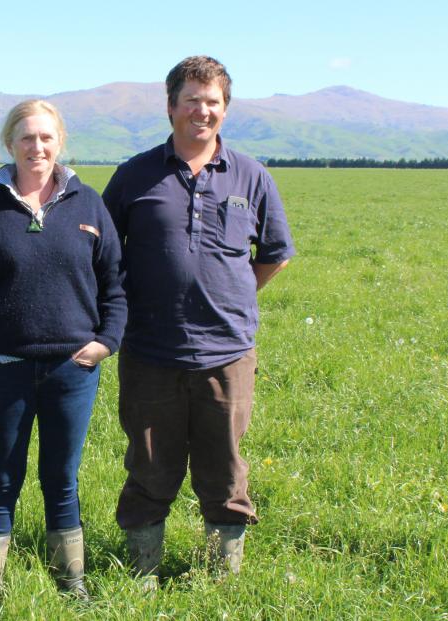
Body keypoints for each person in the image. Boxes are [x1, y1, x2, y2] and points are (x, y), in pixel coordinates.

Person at [102, 56, 295, 585]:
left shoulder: (251, 175)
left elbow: (274, 252)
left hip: (227, 355)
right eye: (192, 101)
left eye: (212, 102)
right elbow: (101, 255)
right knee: (147, 466)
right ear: (171, 107)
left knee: (225, 469)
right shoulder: (134, 175)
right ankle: (142, 571)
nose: (202, 111)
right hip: (149, 352)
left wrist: (230, 295)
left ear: (225, 110)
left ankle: (218, 578)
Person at [0, 99, 126, 608]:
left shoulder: (88, 205)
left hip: (73, 370)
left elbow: (115, 284)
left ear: (59, 141)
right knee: (2, 475)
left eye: (45, 137)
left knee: (61, 479)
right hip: (1, 370)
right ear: (10, 144)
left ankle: (71, 582)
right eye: (26, 138)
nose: (36, 147)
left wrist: (105, 342)